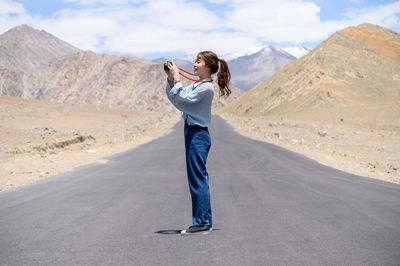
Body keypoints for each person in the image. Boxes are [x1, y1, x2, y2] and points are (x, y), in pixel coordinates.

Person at [165, 51, 231, 234]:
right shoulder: (198, 85)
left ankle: (202, 222)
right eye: (195, 61)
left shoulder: (206, 88)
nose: (194, 64)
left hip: (198, 135)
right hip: (192, 133)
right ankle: (203, 221)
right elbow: (176, 99)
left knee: (197, 178)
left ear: (208, 67)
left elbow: (182, 99)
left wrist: (177, 80)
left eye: (198, 62)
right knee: (197, 177)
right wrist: (171, 80)